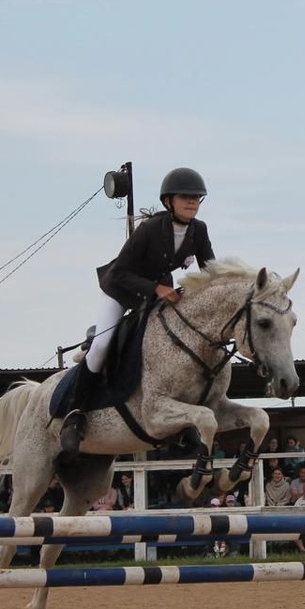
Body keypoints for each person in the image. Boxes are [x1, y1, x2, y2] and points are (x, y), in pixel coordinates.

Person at [60, 167, 216, 454]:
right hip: (121, 290)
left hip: (158, 293)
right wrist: (157, 289)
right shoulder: (150, 230)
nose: (192, 202)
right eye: (185, 197)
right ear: (168, 201)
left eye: (196, 198)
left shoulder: (199, 230)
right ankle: (75, 414)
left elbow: (211, 273)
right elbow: (120, 272)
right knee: (102, 346)